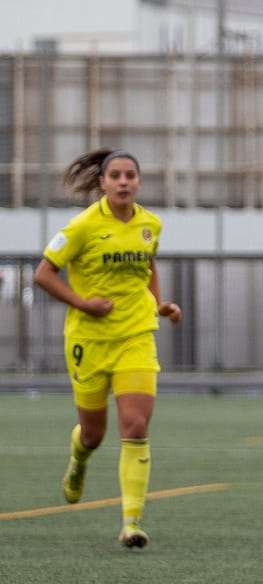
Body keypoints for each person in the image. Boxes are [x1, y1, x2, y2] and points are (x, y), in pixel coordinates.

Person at [33, 148, 181, 549]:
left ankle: (132, 523)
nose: (123, 181)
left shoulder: (150, 225)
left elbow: (148, 267)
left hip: (136, 335)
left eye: (130, 175)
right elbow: (44, 274)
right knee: (93, 435)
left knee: (135, 426)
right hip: (89, 341)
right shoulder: (82, 226)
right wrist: (83, 304)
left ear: (139, 181)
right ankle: (79, 459)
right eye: (115, 175)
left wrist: (160, 304)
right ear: (102, 182)